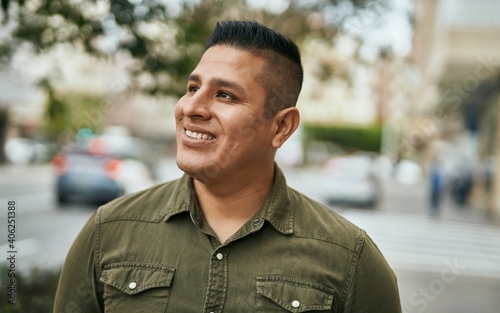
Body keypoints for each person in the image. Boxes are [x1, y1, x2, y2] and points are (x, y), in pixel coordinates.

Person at [54, 20, 402, 312]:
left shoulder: (348, 259)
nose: (193, 107)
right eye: (193, 87)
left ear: (281, 127)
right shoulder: (109, 231)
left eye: (225, 95)